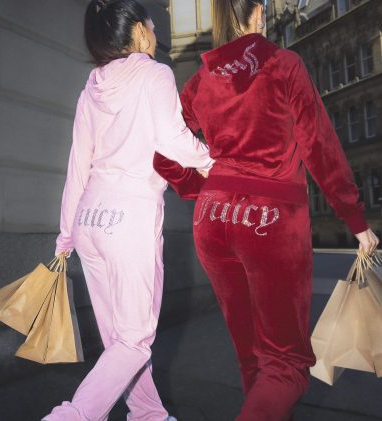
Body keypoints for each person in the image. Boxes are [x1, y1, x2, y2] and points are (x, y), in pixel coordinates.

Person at [153, 0, 380, 420]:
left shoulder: (201, 80)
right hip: (270, 220)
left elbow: (163, 154)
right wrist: (355, 220)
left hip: (212, 220)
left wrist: (203, 188)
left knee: (253, 358)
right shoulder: (284, 64)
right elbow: (319, 146)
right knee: (287, 365)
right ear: (258, 12)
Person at [41, 1, 214, 420]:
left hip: (88, 220)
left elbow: (77, 164)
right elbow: (172, 139)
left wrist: (66, 237)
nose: (155, 35)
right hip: (129, 218)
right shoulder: (155, 74)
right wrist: (212, 161)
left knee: (121, 339)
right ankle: (72, 416)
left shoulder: (92, 86)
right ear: (138, 30)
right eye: (152, 26)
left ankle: (148, 413)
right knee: (135, 338)